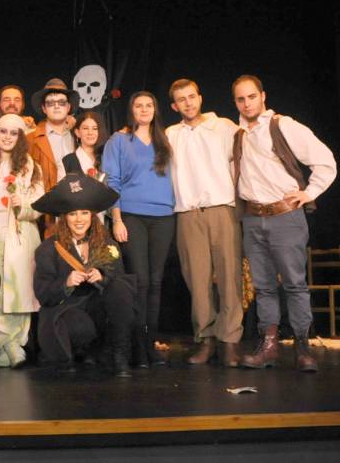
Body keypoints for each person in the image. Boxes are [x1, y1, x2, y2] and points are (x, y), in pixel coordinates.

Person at [232, 75, 336, 372]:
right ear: (235, 102)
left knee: (294, 284)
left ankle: (302, 346)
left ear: (263, 96)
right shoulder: (238, 134)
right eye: (241, 99)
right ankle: (269, 346)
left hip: (285, 216)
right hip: (253, 218)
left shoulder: (282, 125)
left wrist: (309, 193)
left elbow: (325, 160)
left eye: (252, 96)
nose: (247, 103)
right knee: (264, 286)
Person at [165, 78, 243, 367]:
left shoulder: (223, 126)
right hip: (188, 213)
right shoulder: (171, 134)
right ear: (174, 106)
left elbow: (248, 152)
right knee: (197, 281)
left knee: (229, 277)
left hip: (221, 209)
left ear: (200, 97)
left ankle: (230, 341)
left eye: (191, 96)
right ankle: (205, 340)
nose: (188, 103)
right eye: (181, 99)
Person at [32, 173, 134, 377]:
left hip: (98, 307)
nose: (79, 219)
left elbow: (118, 276)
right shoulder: (48, 249)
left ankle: (120, 356)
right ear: (64, 218)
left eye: (84, 213)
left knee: (121, 288)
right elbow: (43, 294)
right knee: (80, 326)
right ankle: (82, 351)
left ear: (92, 216)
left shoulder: (106, 243)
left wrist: (102, 276)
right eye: (73, 214)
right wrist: (66, 282)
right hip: (68, 309)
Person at [102, 91, 175, 369]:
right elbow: (112, 181)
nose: (144, 110)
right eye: (138, 106)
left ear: (155, 110)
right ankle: (136, 349)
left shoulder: (166, 139)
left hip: (164, 216)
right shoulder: (119, 140)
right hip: (132, 216)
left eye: (149, 106)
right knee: (141, 281)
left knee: (156, 283)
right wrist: (117, 219)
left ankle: (149, 345)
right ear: (131, 110)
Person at [0, 114, 44, 368]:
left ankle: (15, 343)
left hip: (18, 232)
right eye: (3, 132)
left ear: (20, 138)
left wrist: (22, 204)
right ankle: (3, 343)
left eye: (14, 133)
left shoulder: (31, 167)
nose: (7, 137)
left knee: (18, 288)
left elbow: (39, 204)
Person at [27, 78, 80, 237]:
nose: (56, 106)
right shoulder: (31, 139)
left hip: (75, 206)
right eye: (50, 103)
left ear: (68, 107)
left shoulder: (79, 136)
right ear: (44, 108)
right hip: (45, 212)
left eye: (61, 102)